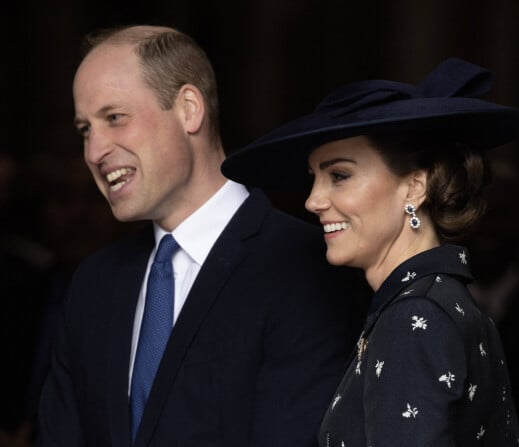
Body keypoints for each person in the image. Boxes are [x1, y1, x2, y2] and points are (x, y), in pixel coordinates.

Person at [37, 25, 369, 447]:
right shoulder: (94, 283)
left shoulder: (305, 266)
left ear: (189, 109)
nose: (93, 151)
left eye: (114, 118)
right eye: (85, 129)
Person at [222, 57, 519, 446]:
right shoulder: (436, 300)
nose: (312, 201)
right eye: (314, 178)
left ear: (414, 187)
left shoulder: (416, 314)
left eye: (339, 175)